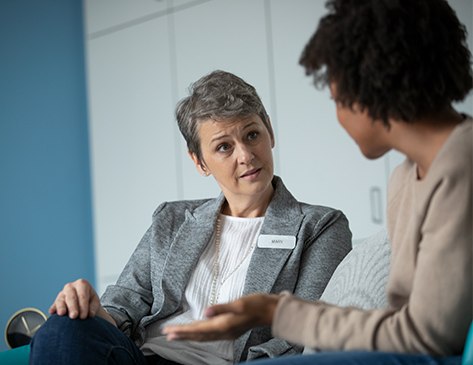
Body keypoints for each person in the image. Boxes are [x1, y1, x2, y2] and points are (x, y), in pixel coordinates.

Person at [162, 0, 473, 364]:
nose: (338, 115)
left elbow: (427, 336)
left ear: (369, 93)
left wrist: (277, 314)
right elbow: (403, 322)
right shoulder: (406, 178)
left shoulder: (461, 166)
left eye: (337, 99)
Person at [29, 70, 352, 365]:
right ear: (200, 162)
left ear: (269, 131)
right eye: (224, 147)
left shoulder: (319, 227)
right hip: (144, 358)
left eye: (252, 135)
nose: (245, 155)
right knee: (61, 328)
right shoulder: (172, 219)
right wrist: (92, 310)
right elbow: (124, 305)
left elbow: (304, 332)